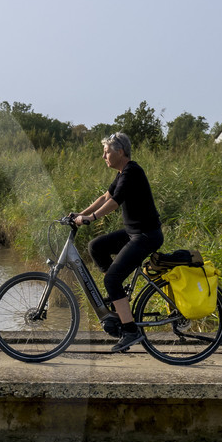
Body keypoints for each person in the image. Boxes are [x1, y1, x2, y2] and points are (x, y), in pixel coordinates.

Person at [71, 132, 163, 352]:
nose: (104, 156)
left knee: (111, 279)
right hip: (134, 233)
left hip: (146, 235)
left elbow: (114, 202)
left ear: (120, 151)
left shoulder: (132, 172)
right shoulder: (123, 172)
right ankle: (118, 297)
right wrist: (78, 215)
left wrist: (91, 219)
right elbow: (105, 197)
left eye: (106, 152)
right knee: (96, 247)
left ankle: (130, 331)